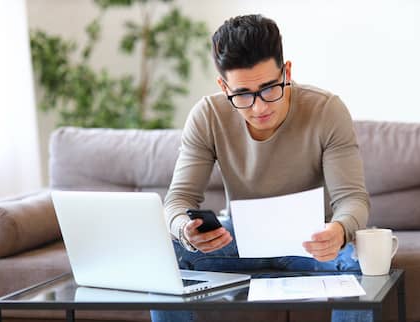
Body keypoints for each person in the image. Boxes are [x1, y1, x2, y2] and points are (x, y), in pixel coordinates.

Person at [151, 14, 372, 322]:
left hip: (310, 243)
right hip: (238, 240)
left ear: (288, 72)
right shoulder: (207, 115)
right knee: (162, 258)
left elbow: (352, 200)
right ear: (224, 86)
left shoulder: (327, 110)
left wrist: (338, 230)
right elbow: (177, 201)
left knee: (363, 261)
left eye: (270, 88)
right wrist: (185, 232)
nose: (260, 107)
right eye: (243, 94)